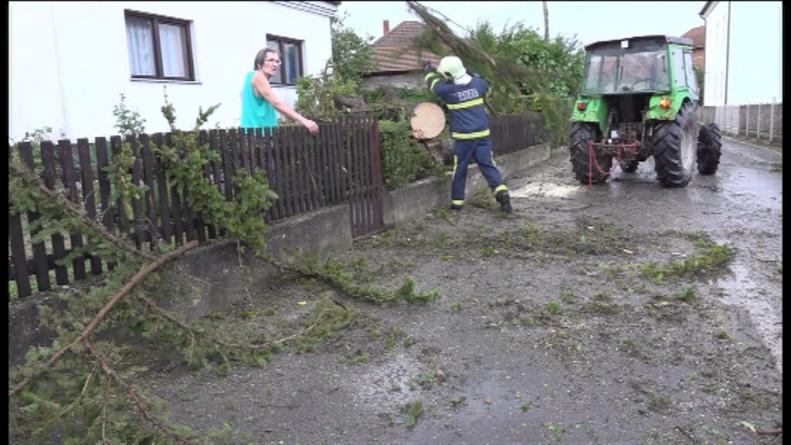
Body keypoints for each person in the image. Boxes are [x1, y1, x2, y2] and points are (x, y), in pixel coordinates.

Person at [422, 56, 512, 213]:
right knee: (487, 164)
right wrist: (470, 72)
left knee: (460, 168)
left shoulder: (448, 90)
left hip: (464, 138)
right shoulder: (479, 84)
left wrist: (428, 70)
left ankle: (457, 203)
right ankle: (501, 192)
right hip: (483, 134)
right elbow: (482, 80)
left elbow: (433, 85)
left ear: (449, 75)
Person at [241, 48, 319, 135]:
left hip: (257, 135)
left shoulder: (251, 78)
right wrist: (304, 121)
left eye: (277, 61)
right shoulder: (257, 76)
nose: (275, 64)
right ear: (259, 64)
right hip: (258, 136)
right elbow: (277, 103)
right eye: (270, 60)